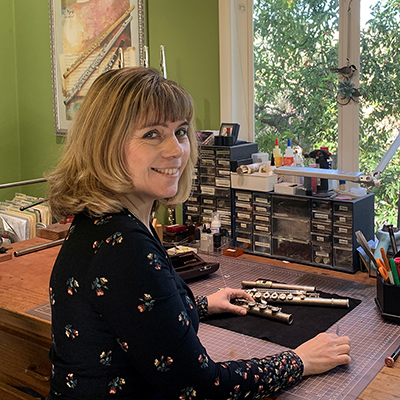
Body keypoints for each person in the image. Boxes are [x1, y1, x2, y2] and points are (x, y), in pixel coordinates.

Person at [46, 67, 351, 400]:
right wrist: (299, 360)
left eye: (180, 132)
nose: (176, 149)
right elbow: (201, 387)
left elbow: (132, 313)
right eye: (152, 134)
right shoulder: (125, 248)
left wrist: (198, 305)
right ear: (105, 143)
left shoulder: (101, 221)